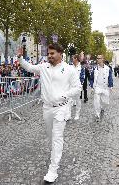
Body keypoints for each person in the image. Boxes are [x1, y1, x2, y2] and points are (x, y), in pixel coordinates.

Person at [17, 43, 80, 183]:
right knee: (51, 137)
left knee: (57, 137)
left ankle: (53, 170)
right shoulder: (43, 67)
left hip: (61, 108)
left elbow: (77, 88)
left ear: (60, 53)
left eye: (52, 53)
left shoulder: (69, 69)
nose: (49, 56)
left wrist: (63, 95)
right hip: (47, 108)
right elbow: (28, 67)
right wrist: (20, 58)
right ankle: (55, 155)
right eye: (48, 54)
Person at [90, 54, 113, 121]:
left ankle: (102, 107)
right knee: (96, 101)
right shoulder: (94, 68)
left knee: (106, 102)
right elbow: (91, 78)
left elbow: (110, 78)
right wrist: (92, 86)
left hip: (105, 87)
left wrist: (111, 86)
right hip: (97, 87)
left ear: (103, 59)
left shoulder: (108, 68)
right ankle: (97, 114)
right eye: (97, 58)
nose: (98, 59)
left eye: (99, 58)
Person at [71, 54, 84, 120]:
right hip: (70, 86)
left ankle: (77, 114)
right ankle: (68, 114)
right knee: (69, 100)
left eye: (73, 58)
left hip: (77, 87)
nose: (72, 59)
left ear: (76, 59)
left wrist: (80, 85)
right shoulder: (70, 67)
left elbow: (82, 77)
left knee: (78, 101)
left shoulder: (81, 67)